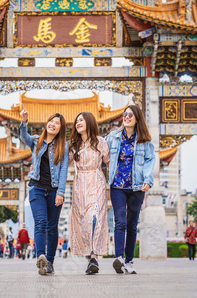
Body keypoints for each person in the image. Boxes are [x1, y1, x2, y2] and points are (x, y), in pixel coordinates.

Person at [20, 106, 69, 275]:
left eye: (57, 123)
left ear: (61, 129)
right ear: (47, 123)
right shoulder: (36, 141)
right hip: (37, 188)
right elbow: (23, 136)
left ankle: (50, 261)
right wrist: (24, 121)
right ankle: (41, 257)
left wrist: (61, 192)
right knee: (40, 222)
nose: (53, 124)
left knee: (52, 227)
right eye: (51, 121)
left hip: (54, 190)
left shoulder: (64, 146)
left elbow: (63, 170)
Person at [106, 105, 155, 275]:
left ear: (137, 118)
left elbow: (150, 160)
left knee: (132, 224)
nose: (126, 117)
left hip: (136, 187)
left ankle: (129, 261)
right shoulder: (113, 137)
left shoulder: (145, 140)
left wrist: (148, 181)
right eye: (124, 114)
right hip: (117, 186)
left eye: (130, 115)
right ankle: (119, 258)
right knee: (120, 222)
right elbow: (100, 151)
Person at [69, 112, 110, 275]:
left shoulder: (101, 142)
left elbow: (109, 162)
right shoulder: (73, 145)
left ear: (90, 122)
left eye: (81, 120)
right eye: (76, 120)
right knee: (82, 221)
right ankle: (90, 259)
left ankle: (94, 256)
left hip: (96, 180)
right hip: (80, 184)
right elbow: (61, 163)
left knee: (95, 217)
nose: (78, 123)